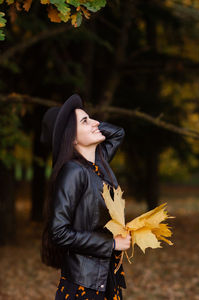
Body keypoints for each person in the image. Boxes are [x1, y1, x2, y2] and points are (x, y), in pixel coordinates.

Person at [40, 94, 131, 300]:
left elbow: (118, 133)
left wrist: (87, 125)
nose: (96, 122)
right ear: (71, 137)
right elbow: (59, 232)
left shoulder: (99, 165)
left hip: (106, 278)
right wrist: (111, 244)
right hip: (84, 286)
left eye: (91, 118)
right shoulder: (74, 171)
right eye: (85, 121)